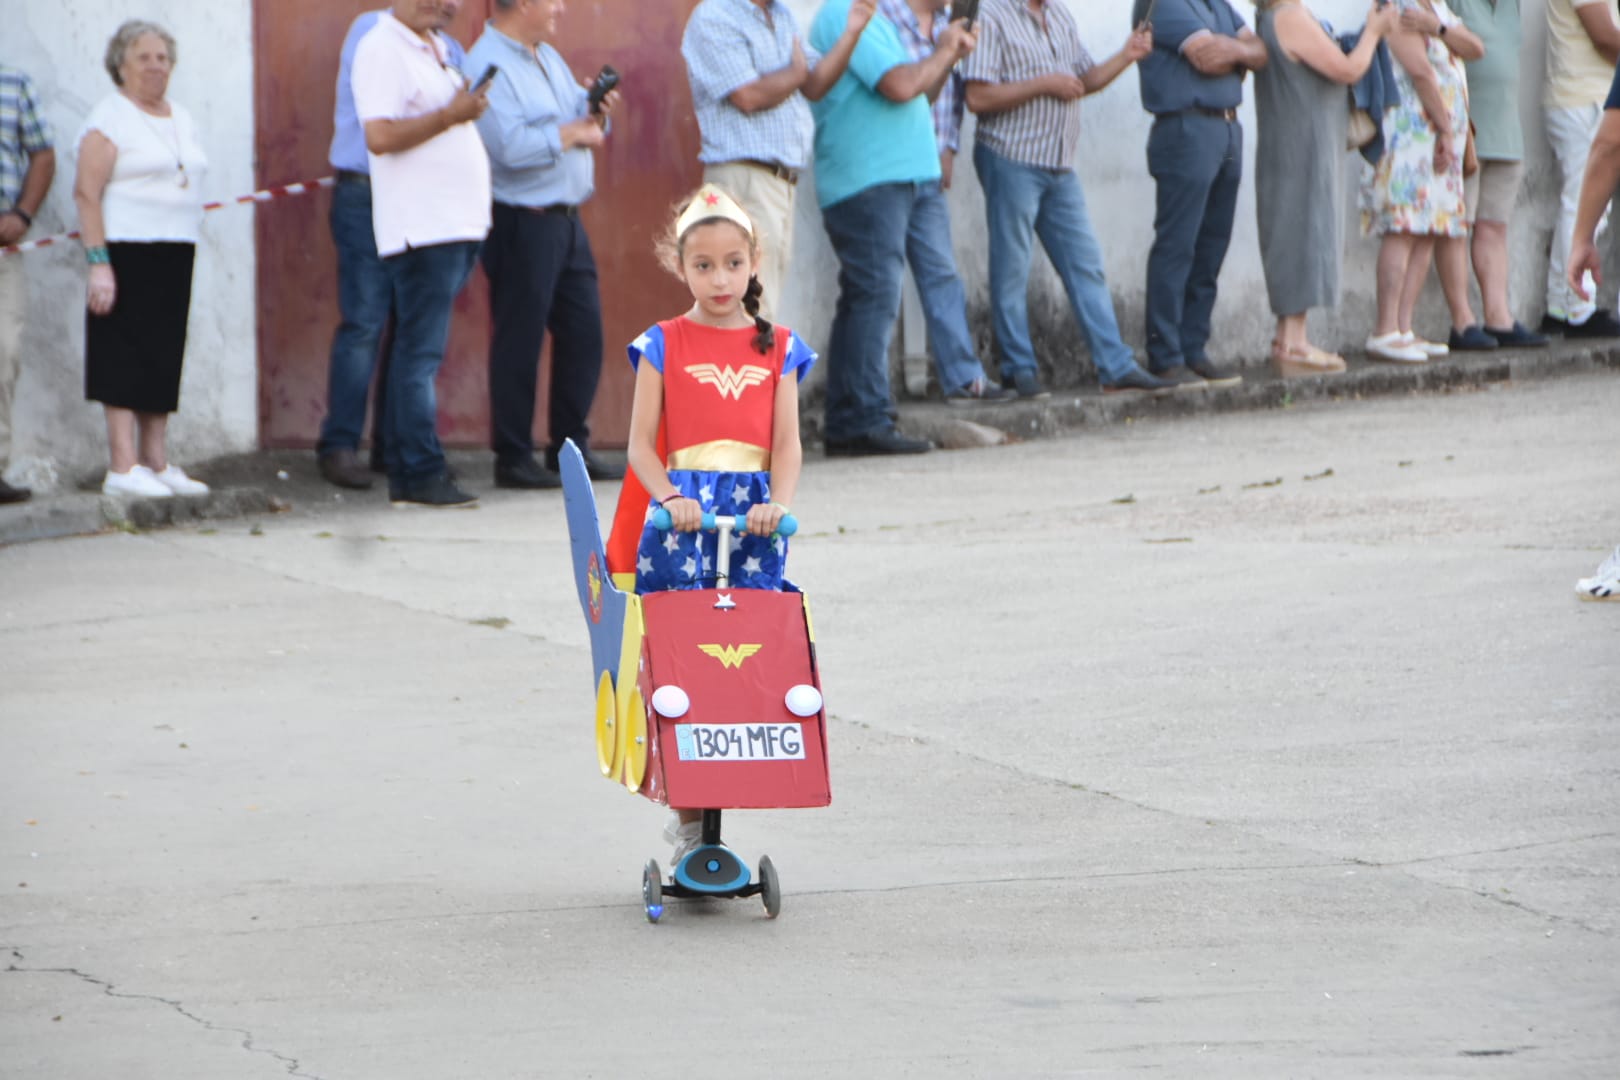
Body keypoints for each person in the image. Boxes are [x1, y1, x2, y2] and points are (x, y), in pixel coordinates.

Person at [605, 184, 817, 864]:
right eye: (703, 265)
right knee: (682, 659)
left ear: (755, 261)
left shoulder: (779, 347)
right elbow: (640, 444)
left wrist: (776, 505)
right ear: (680, 266)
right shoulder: (663, 343)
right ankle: (690, 816)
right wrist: (669, 497)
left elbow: (786, 445)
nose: (719, 278)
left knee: (747, 654)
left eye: (732, 262)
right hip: (681, 516)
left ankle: (720, 799)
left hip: (752, 524)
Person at [963, 2, 1174, 400]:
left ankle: (1115, 366)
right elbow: (977, 96)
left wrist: (1127, 55)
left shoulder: (1059, 16)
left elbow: (1083, 79)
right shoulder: (991, 14)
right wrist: (1044, 84)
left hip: (1059, 162)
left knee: (1086, 265)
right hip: (1010, 157)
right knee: (1012, 268)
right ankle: (1017, 369)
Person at [467, 0, 623, 491]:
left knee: (584, 334)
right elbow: (507, 149)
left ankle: (568, 449)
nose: (560, 7)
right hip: (522, 220)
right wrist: (573, 132)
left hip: (566, 219)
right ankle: (513, 457)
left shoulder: (546, 56)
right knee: (521, 339)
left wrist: (596, 113)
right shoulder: (486, 62)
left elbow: (580, 122)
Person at [808, 0, 975, 455]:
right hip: (868, 177)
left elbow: (924, 89)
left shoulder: (875, 19)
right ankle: (863, 419)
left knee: (869, 294)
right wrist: (941, 50)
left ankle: (851, 420)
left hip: (902, 174)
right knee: (876, 293)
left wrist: (948, 56)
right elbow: (900, 86)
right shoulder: (843, 13)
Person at [316, 0, 467, 491]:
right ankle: (339, 446)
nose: (449, 5)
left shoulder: (448, 49)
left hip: (419, 197)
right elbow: (392, 126)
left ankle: (394, 447)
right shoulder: (375, 33)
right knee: (364, 321)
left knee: (409, 326)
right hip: (369, 189)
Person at [353, 0, 492, 507]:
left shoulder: (435, 48)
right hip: (423, 227)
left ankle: (406, 460)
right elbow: (380, 135)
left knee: (415, 351)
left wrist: (459, 111)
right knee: (419, 355)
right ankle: (416, 472)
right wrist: (451, 114)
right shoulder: (381, 47)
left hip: (453, 225)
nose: (445, 3)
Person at [74, 20, 212, 499]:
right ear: (121, 65)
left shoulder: (182, 117)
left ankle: (156, 460)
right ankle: (122, 465)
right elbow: (86, 193)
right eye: (144, 58)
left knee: (163, 351)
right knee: (122, 351)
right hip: (125, 249)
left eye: (162, 58)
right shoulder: (109, 117)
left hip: (175, 248)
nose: (156, 67)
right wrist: (99, 262)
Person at [681, 0, 873, 319]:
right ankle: (745, 370)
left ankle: (758, 369)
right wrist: (795, 72)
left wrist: (851, 33)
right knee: (746, 307)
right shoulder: (716, 14)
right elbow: (748, 96)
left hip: (778, 182)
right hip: (743, 178)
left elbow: (813, 84)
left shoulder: (782, 16)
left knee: (762, 305)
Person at [877, 0, 1015, 405]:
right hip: (884, 165)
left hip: (928, 164)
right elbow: (898, 87)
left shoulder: (947, 24)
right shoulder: (882, 16)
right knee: (875, 285)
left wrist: (948, 147)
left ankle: (963, 378)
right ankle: (869, 397)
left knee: (941, 275)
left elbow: (948, 95)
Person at [1253, 0, 1397, 376]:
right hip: (1304, 148)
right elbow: (1348, 69)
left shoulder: (1272, 18)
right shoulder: (1290, 17)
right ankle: (1295, 344)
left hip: (1294, 144)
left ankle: (1288, 339)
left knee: (1295, 231)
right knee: (1304, 231)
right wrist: (1374, 31)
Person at [1132, 0, 1268, 390]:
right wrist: (1240, 54)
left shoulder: (1218, 5)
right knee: (1178, 247)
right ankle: (1166, 356)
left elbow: (1262, 52)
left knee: (1211, 248)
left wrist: (1237, 52)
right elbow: (1205, 58)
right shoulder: (1164, 3)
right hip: (1185, 129)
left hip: (1226, 128)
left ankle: (1193, 347)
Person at [1359, 0, 1489, 364]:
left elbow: (1476, 48)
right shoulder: (1395, 5)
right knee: (1402, 228)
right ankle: (1384, 328)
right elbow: (1419, 71)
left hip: (1438, 140)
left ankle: (1403, 328)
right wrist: (1446, 129)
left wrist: (1437, 27)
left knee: (1426, 232)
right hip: (1412, 136)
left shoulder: (1435, 9)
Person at [1450, 0, 1547, 348]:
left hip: (1507, 132)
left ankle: (1499, 318)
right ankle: (1462, 322)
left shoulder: (1512, 5)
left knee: (1494, 227)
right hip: (1466, 132)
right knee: (1458, 231)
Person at [1540, 0, 1620, 337]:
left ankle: (1561, 305)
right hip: (1582, 100)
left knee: (1579, 200)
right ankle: (1578, 308)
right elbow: (1603, 36)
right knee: (1584, 201)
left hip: (1585, 98)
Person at [0, 65, 55, 505]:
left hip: (1, 248)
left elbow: (42, 154)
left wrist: (22, 214)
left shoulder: (15, 82)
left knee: (4, 351)